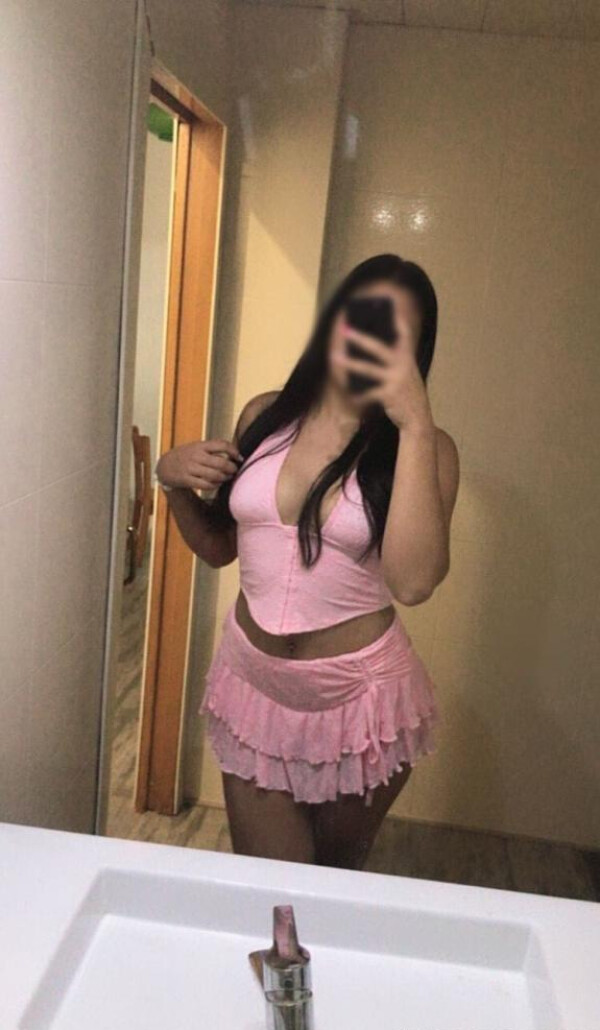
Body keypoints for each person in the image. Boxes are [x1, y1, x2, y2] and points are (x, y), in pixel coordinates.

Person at [156, 254, 459, 869]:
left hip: (359, 703)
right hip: (253, 686)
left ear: (414, 351)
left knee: (330, 883)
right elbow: (218, 548)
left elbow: (413, 583)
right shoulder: (265, 416)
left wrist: (416, 425)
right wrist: (171, 480)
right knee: (273, 887)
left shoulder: (427, 449)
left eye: (394, 331)